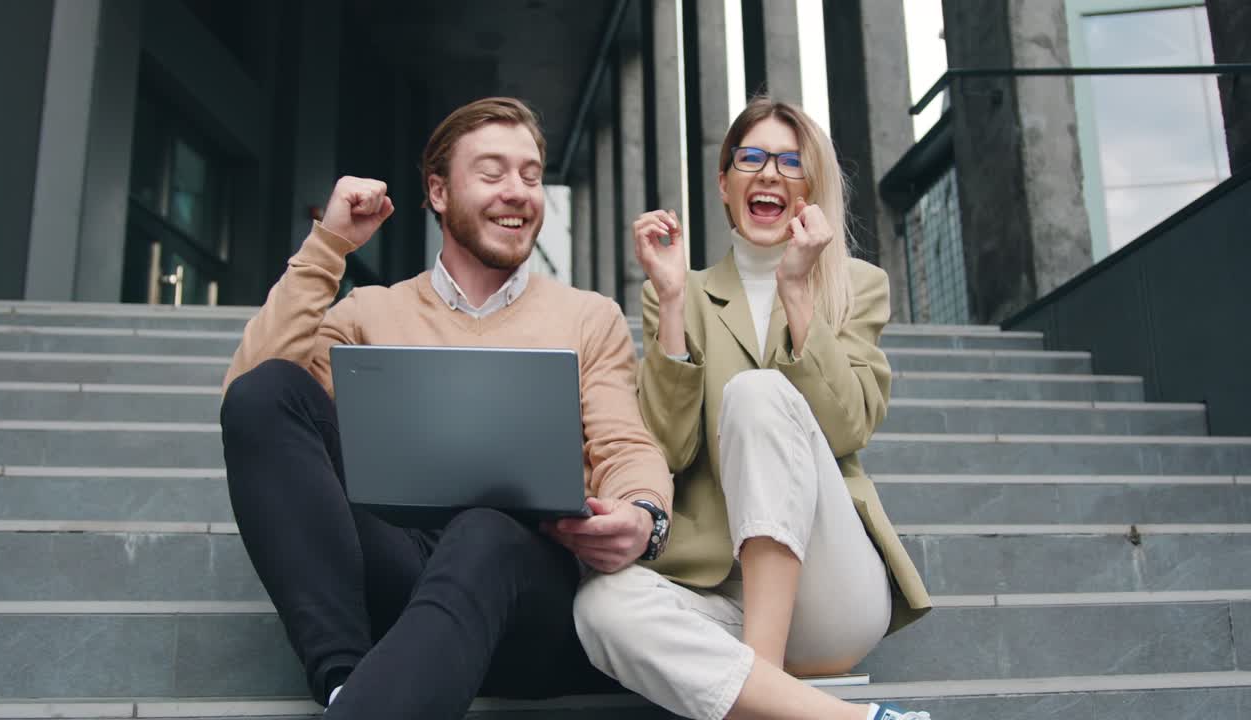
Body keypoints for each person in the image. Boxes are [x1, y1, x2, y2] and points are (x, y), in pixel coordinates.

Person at [219, 97, 673, 720]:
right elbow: (251, 404)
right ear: (438, 191)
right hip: (398, 576)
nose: (517, 192)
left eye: (532, 176)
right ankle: (348, 686)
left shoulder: (587, 317)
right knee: (269, 390)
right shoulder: (367, 313)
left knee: (485, 528)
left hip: (527, 599)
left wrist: (643, 515)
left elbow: (624, 444)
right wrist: (328, 247)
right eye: (492, 174)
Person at [565, 98, 934, 720]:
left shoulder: (858, 286)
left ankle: (755, 678)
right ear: (724, 182)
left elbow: (847, 428)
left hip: (828, 592)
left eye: (790, 162)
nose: (769, 173)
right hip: (717, 588)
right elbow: (666, 451)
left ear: (810, 188)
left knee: (758, 392)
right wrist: (674, 302)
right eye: (752, 158)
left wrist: (796, 289)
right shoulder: (683, 294)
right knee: (600, 608)